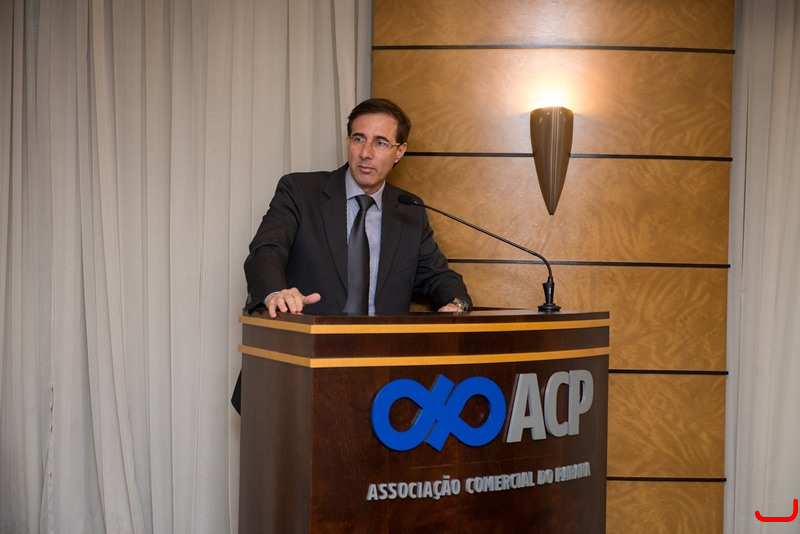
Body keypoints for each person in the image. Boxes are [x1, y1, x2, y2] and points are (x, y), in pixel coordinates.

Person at [232, 98, 471, 412]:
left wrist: (456, 303)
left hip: (380, 381)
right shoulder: (300, 191)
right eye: (359, 139)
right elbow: (267, 249)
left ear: (400, 151)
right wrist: (276, 292)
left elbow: (437, 275)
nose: (366, 153)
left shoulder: (409, 210)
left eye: (380, 142)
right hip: (299, 368)